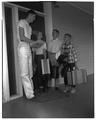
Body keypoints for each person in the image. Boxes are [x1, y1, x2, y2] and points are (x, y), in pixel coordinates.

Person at [17, 10, 43, 99]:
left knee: (30, 73)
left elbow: (30, 42)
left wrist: (36, 44)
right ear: (30, 15)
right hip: (22, 48)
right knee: (24, 73)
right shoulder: (22, 22)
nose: (34, 19)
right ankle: (30, 95)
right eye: (34, 17)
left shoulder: (29, 27)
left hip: (28, 48)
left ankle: (31, 91)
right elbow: (22, 37)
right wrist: (34, 42)